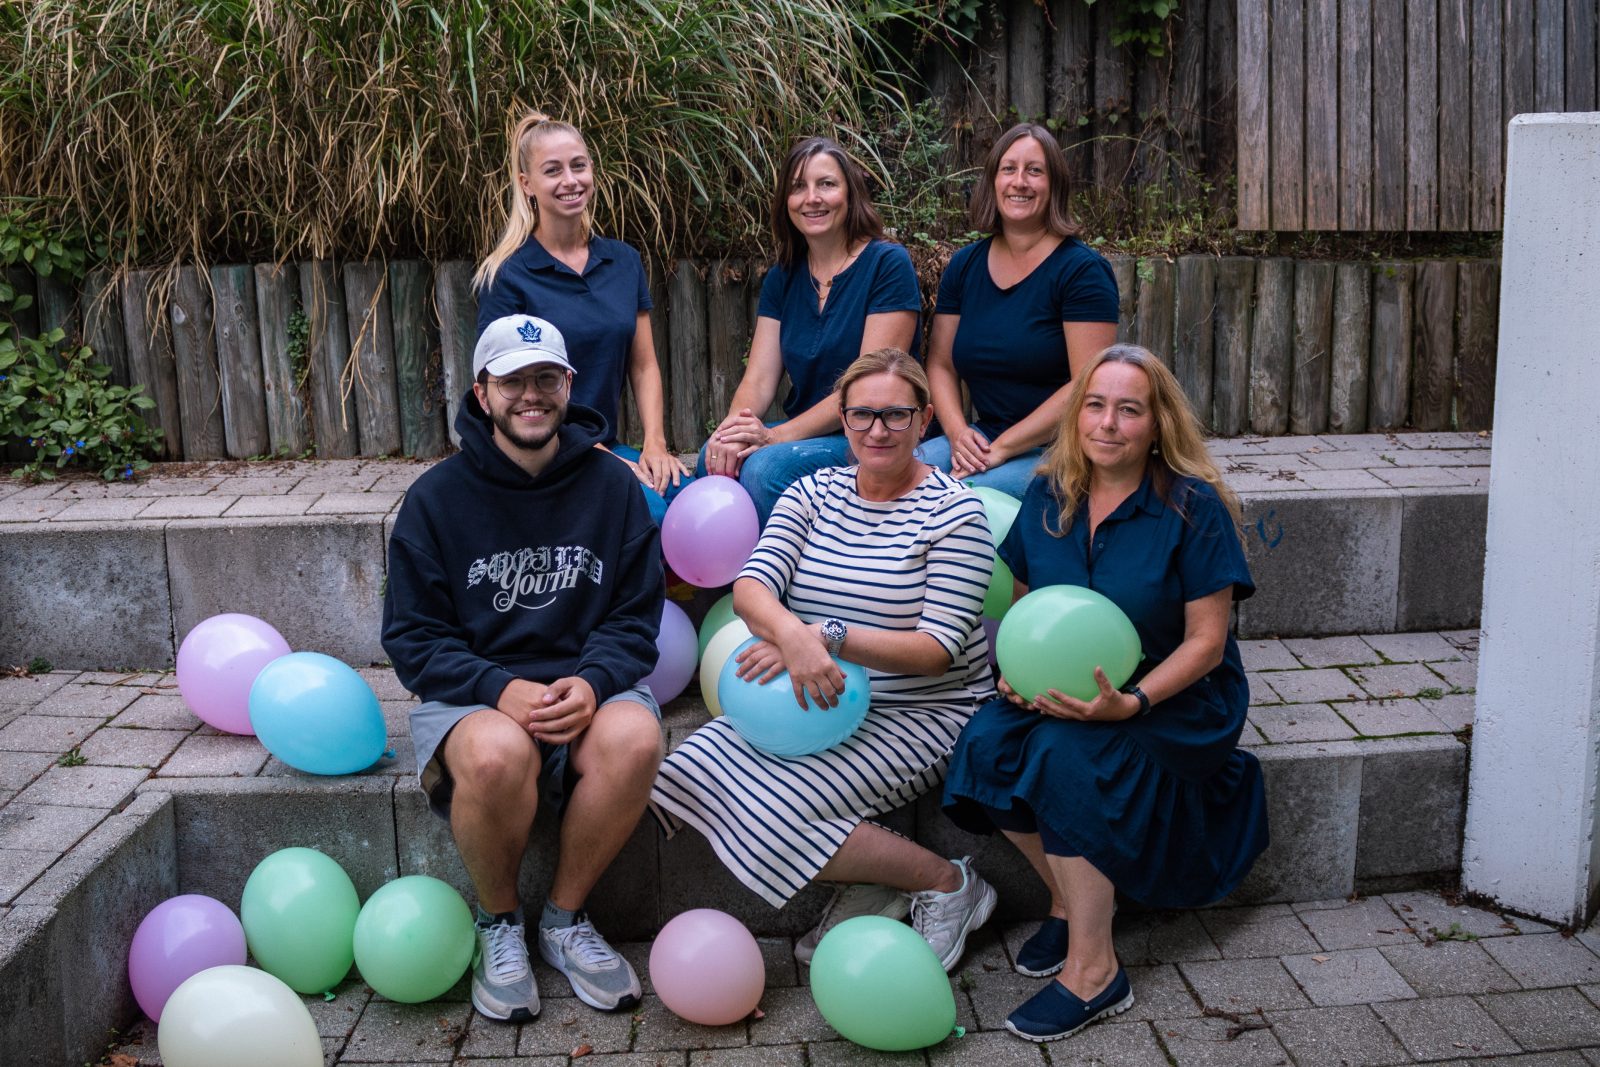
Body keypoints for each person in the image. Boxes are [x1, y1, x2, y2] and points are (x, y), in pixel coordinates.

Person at [941, 344, 1268, 1043]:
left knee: (1065, 753)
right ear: (1075, 414)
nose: (1109, 422)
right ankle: (1068, 899)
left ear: (1157, 423)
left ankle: (1096, 970)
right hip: (1072, 685)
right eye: (1095, 404)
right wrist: (1016, 674)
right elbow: (1029, 607)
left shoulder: (1191, 505)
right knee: (986, 742)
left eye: (1129, 408)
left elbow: (1207, 642)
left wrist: (1134, 702)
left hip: (1174, 695)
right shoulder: (1048, 491)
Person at [654, 348, 999, 970]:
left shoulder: (956, 513)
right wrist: (796, 639)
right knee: (688, 769)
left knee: (780, 811)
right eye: (861, 414)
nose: (877, 430)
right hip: (810, 695)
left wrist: (827, 635)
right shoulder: (814, 491)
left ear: (925, 422)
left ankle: (950, 885)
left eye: (895, 416)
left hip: (925, 710)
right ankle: (874, 882)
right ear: (842, 421)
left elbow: (935, 651)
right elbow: (751, 589)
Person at [382, 315, 666, 1024]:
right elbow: (412, 638)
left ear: (569, 386)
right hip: (474, 690)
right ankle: (500, 923)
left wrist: (596, 680)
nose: (531, 395)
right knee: (499, 751)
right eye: (513, 380)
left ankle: (564, 922)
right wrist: (497, 687)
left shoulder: (612, 486)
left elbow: (635, 619)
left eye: (546, 378)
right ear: (482, 393)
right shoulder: (435, 499)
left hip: (584, 685)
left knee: (635, 736)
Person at [474, 111, 689, 524]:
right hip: (541, 451)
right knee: (651, 512)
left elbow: (643, 366)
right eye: (552, 171)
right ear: (527, 185)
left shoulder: (624, 262)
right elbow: (505, 390)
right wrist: (600, 458)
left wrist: (655, 446)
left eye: (579, 165)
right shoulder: (507, 277)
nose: (570, 181)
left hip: (607, 445)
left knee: (689, 494)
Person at [702, 136, 921, 524]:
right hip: (804, 433)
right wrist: (734, 431)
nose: (812, 198)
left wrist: (775, 436)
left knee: (767, 471)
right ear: (786, 203)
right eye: (798, 187)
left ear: (850, 195)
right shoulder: (782, 279)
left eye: (826, 184)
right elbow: (758, 378)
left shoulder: (887, 265)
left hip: (870, 433)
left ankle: (807, 577)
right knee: (713, 455)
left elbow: (865, 390)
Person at [922, 123, 1120, 498]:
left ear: (1054, 185)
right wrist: (958, 433)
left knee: (963, 499)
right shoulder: (965, 266)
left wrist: (1003, 448)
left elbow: (1087, 385)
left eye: (1035, 170)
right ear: (993, 182)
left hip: (1061, 448)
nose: (1020, 182)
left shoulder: (1081, 271)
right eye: (1008, 169)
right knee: (894, 474)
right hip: (982, 437)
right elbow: (941, 365)